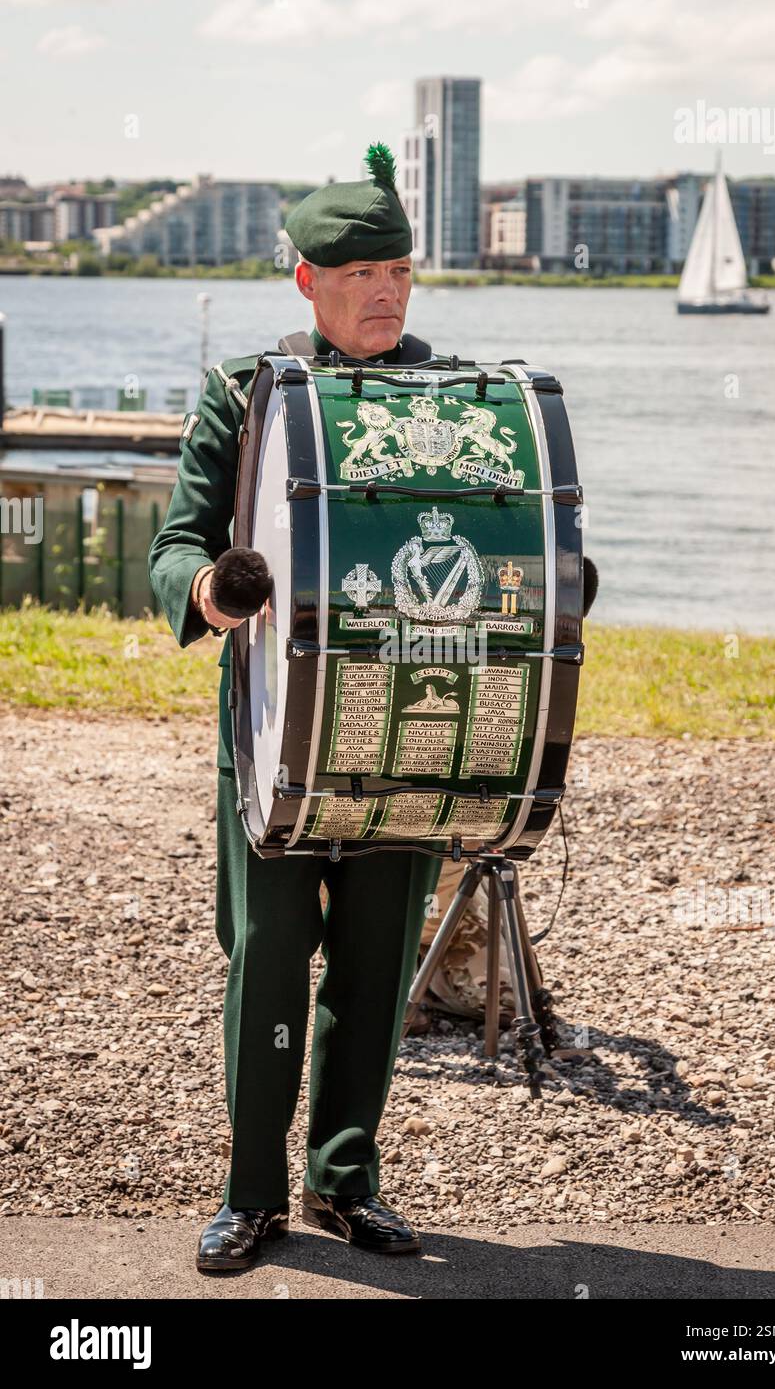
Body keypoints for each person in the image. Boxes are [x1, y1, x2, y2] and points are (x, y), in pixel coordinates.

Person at [148, 143, 446, 1271]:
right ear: (306, 282)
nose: (385, 291)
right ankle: (250, 1192)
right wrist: (213, 588)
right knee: (270, 958)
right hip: (274, 739)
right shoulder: (244, 395)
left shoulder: (447, 401)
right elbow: (175, 544)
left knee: (374, 966)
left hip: (400, 725)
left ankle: (345, 1180)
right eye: (361, 271)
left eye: (400, 271)